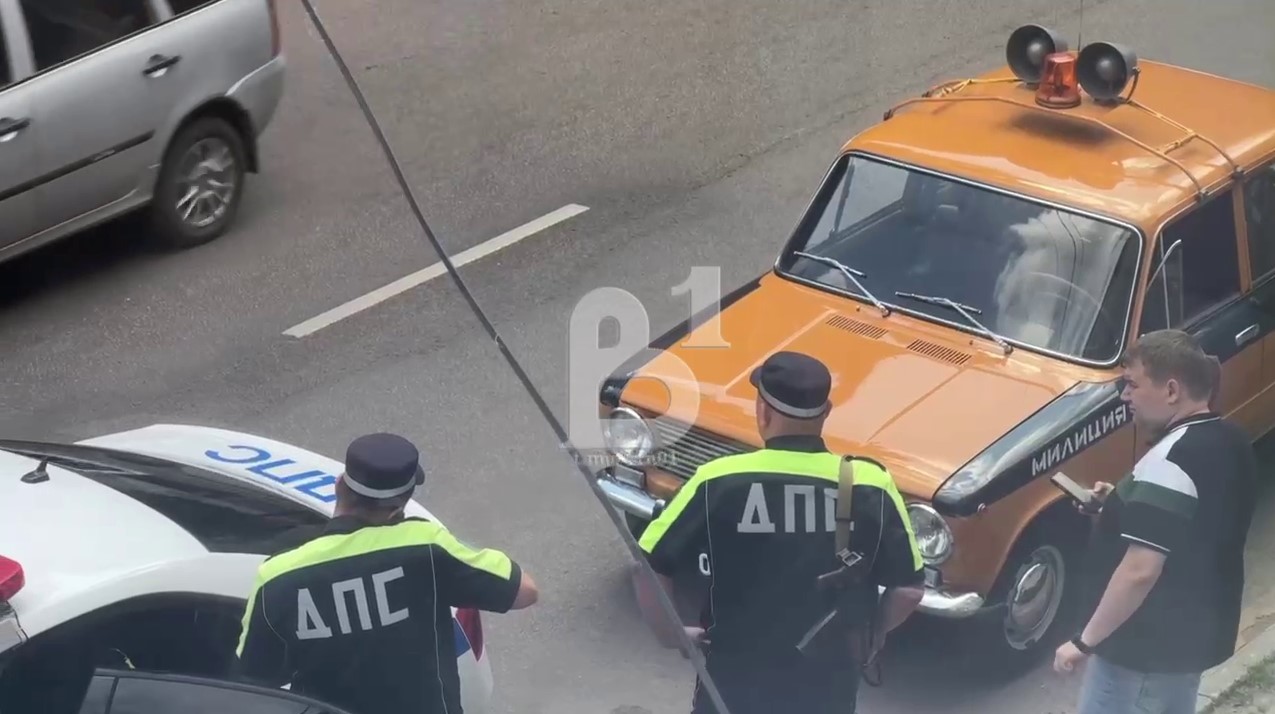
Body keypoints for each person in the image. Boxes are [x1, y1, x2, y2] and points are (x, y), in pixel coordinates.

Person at [632, 350, 925, 714]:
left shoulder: (719, 479)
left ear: (763, 412)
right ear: (825, 413)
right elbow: (909, 590)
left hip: (734, 676)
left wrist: (673, 634)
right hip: (827, 681)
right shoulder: (870, 483)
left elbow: (647, 566)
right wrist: (875, 633)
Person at [234, 432, 539, 714]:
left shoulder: (277, 578)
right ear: (399, 507)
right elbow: (525, 591)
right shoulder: (427, 547)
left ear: (339, 484)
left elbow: (258, 675)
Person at [1055, 329, 1256, 714]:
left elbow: (1140, 571)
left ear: (1171, 391)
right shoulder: (1232, 439)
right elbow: (1195, 523)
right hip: (1190, 642)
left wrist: (1084, 642)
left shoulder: (1170, 460)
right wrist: (1115, 507)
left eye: (1132, 384)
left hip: (1141, 654)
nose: (1125, 396)